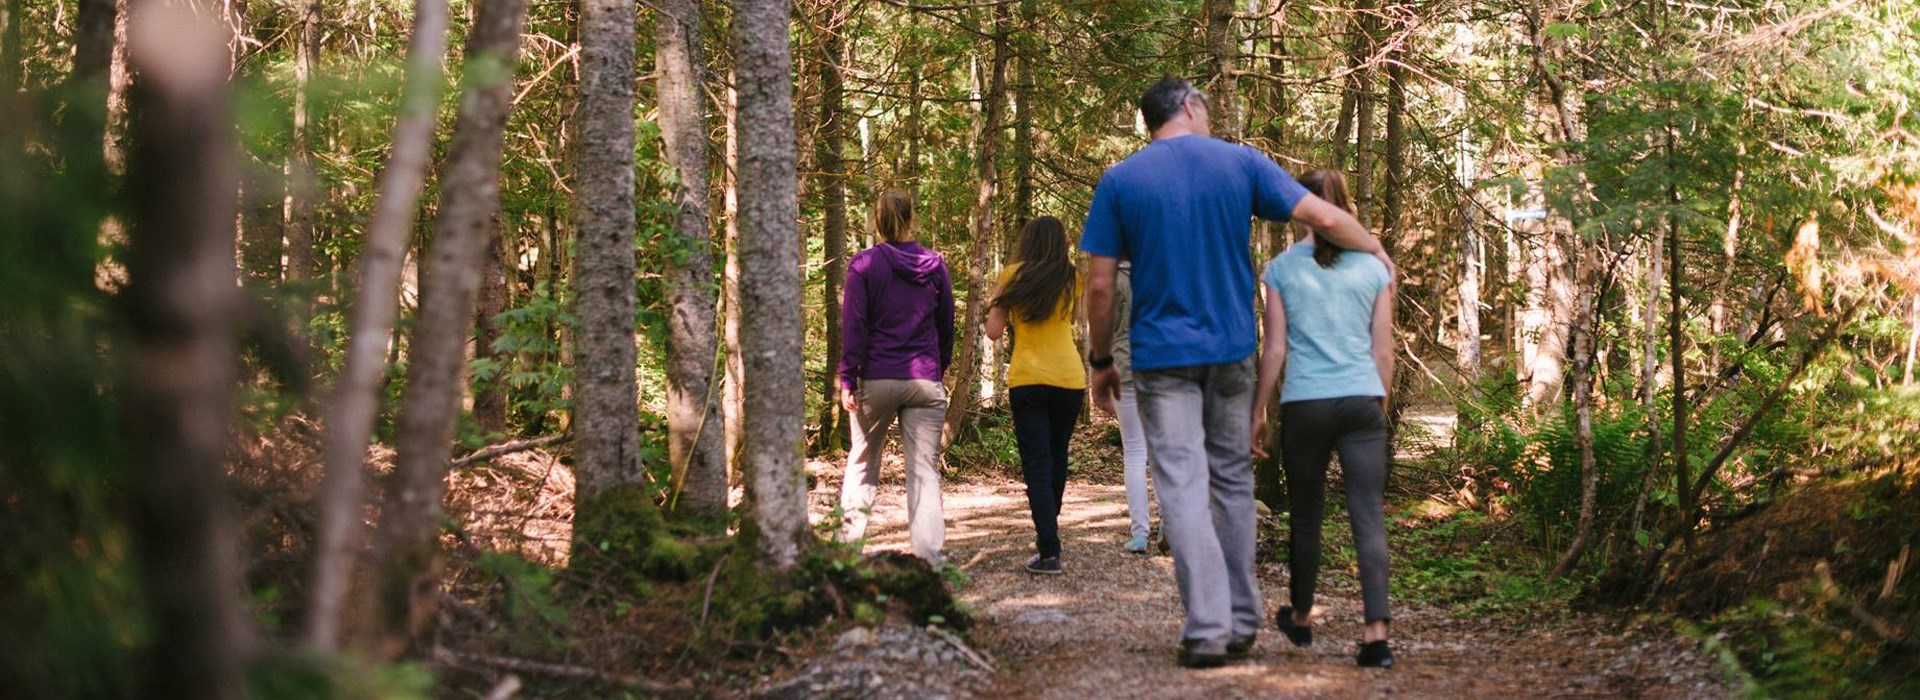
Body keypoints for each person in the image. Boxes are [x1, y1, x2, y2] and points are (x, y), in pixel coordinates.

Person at [1080, 77, 1390, 669]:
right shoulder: (1241, 162)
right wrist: (1375, 252)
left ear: (1151, 122)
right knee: (1230, 481)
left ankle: (1207, 628)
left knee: (1182, 484)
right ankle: (1243, 617)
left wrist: (1100, 362)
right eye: (1208, 108)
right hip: (1230, 354)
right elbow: (1320, 214)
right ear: (1192, 109)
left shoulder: (1121, 179)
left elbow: (1098, 285)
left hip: (1161, 358)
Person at [1251, 169, 1397, 668]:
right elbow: (1384, 350)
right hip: (1361, 399)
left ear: (1301, 209)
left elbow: (1273, 350)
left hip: (1306, 402)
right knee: (1367, 515)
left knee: (1307, 513)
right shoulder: (1374, 269)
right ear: (1344, 206)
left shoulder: (1281, 270)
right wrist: (1379, 401)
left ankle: (1303, 619)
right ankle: (1376, 635)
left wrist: (1258, 411)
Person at [837, 191, 955, 566]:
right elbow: (946, 326)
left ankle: (845, 553)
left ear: (878, 220)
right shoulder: (935, 265)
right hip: (924, 380)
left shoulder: (864, 265)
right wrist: (938, 369)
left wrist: (847, 379)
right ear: (911, 218)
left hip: (878, 378)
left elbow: (854, 326)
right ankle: (929, 558)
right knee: (923, 469)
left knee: (861, 464)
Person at [987, 215, 1086, 576]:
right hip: (1070, 378)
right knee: (1057, 457)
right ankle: (1049, 538)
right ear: (1060, 243)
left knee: (1037, 464)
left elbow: (994, 332)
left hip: (1028, 378)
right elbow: (1075, 318)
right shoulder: (1073, 277)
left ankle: (1049, 549)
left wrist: (998, 303)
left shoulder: (1011, 276)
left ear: (1027, 241)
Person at [1113, 261, 1154, 554]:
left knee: (1135, 451)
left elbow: (1102, 325)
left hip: (1123, 364)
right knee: (1162, 449)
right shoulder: (1158, 268)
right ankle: (1171, 524)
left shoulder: (1110, 277)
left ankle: (1140, 532)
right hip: (1160, 363)